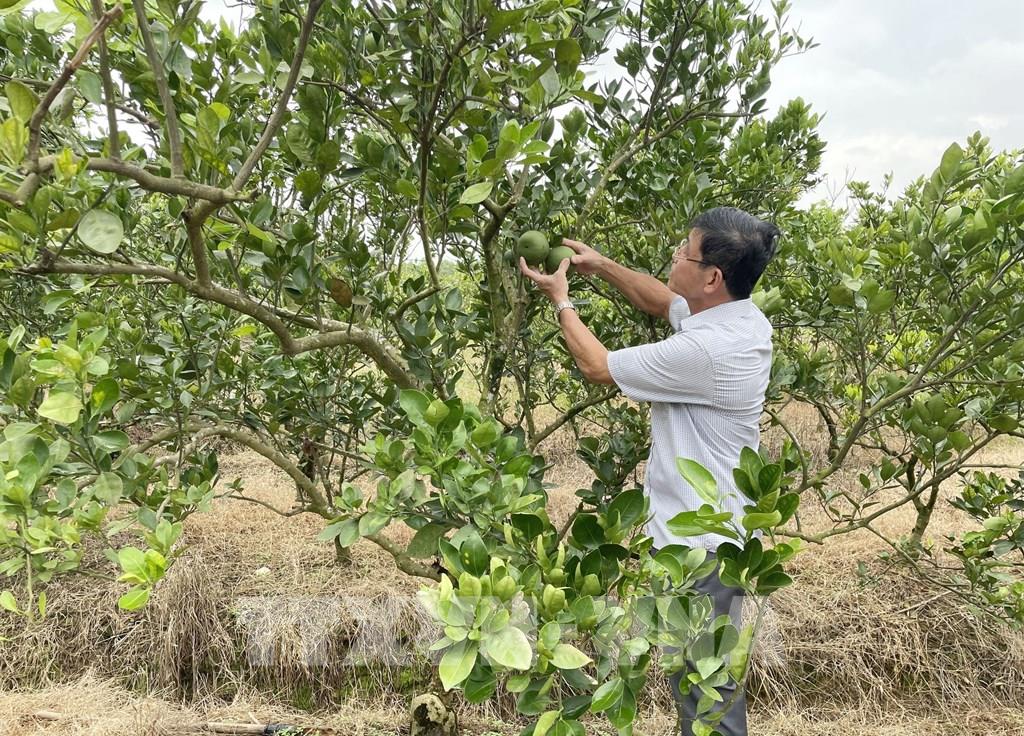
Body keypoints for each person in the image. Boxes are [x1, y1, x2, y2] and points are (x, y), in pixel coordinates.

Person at [518, 206, 780, 736]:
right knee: (698, 676)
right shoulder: (739, 317)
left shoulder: (705, 351)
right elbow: (668, 303)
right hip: (714, 534)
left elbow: (598, 367)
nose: (673, 259)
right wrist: (603, 266)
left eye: (684, 253)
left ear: (712, 277)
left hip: (700, 545)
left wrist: (561, 299)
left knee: (705, 688)